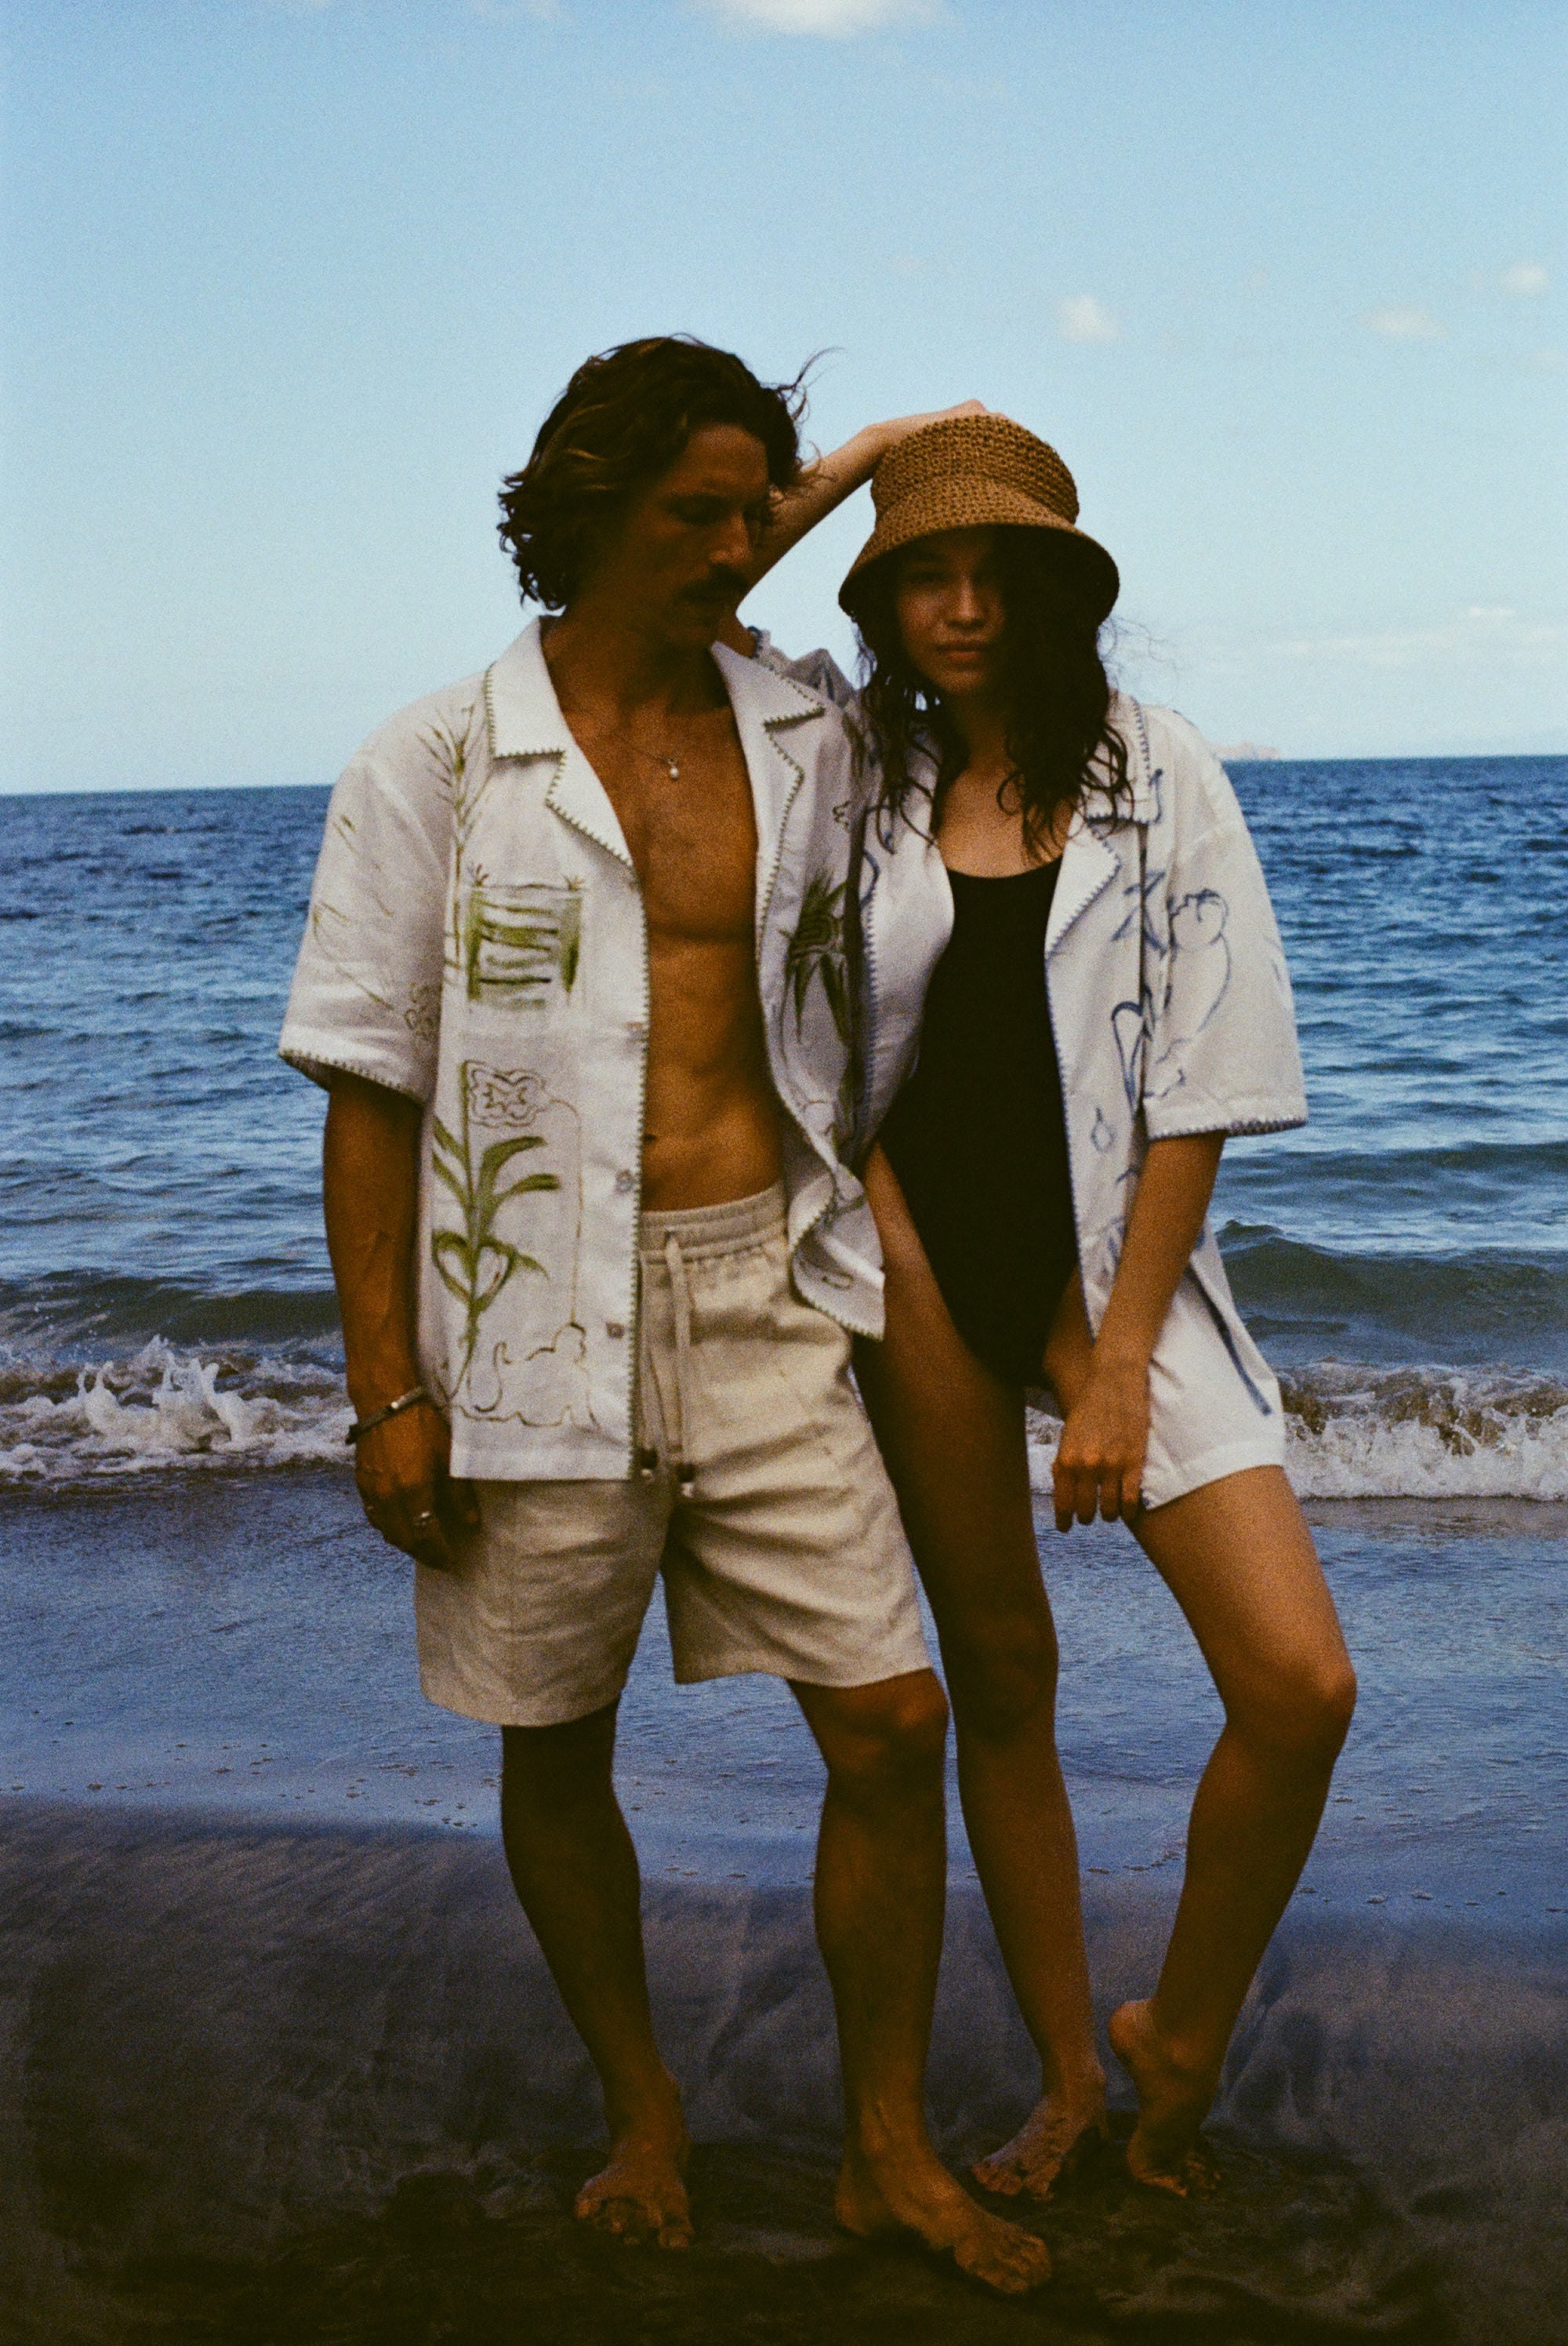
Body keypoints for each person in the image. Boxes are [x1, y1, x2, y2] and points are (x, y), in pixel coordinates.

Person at [278, 341, 1050, 2293]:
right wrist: (383, 1388)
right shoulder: (435, 762)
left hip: (761, 1283)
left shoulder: (800, 728)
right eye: (691, 513)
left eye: (747, 513)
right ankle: (644, 2110)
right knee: (558, 1736)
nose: (731, 547)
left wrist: (858, 462)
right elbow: (367, 1087)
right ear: (590, 508)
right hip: (522, 1311)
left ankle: (884, 2147)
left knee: (890, 1720)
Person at [731, 412, 1357, 2198]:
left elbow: (1199, 1086)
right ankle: (1074, 2077)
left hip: (1115, 1282)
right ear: (880, 601)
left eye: (992, 572)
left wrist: (1115, 1369)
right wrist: (868, 457)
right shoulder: (853, 767)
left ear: (1054, 591)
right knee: (1004, 1675)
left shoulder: (1159, 772)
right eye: (921, 575)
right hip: (918, 1260)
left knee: (1300, 1684)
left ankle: (1183, 2033)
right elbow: (697, 604)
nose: (960, 608)